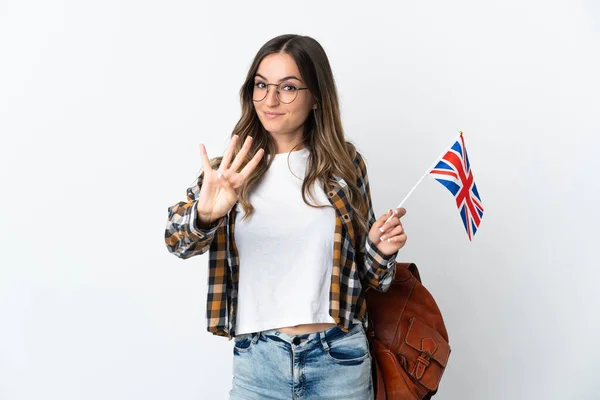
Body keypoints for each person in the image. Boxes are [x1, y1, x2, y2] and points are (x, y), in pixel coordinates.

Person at [164, 34, 407, 400]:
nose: (270, 100)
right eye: (261, 85)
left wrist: (380, 250)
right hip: (258, 362)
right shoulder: (229, 171)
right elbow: (176, 241)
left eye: (288, 87)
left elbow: (369, 278)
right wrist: (205, 214)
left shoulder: (345, 166)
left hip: (338, 358)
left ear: (316, 98)